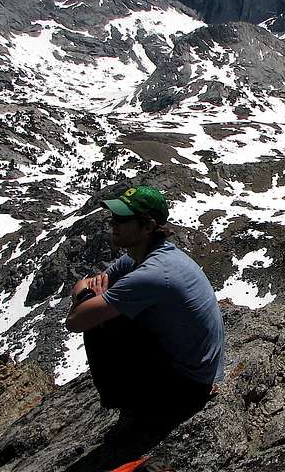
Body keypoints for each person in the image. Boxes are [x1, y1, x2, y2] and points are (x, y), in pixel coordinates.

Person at [65, 185, 224, 432]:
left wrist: (85, 296)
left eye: (123, 220)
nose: (113, 224)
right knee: (106, 313)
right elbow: (92, 282)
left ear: (148, 226)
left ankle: (135, 409)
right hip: (200, 372)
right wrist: (86, 291)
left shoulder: (152, 273)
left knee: (99, 326)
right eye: (113, 218)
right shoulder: (141, 257)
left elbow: (75, 321)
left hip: (189, 387)